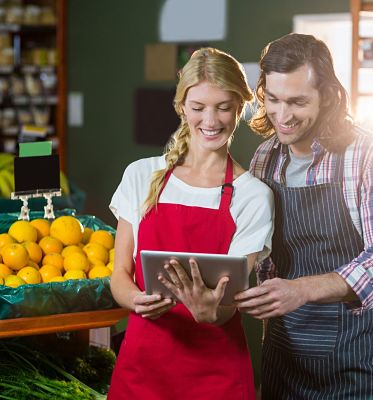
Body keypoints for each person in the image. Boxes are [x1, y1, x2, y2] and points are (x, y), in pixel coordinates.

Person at [234, 33, 373, 399]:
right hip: (284, 358)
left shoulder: (369, 155)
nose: (282, 116)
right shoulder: (265, 158)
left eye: (297, 102)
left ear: (329, 96)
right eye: (273, 100)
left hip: (353, 363)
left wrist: (301, 290)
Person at [107, 47, 274, 400]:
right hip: (143, 368)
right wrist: (136, 300)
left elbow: (230, 303)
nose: (210, 121)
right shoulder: (141, 175)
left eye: (223, 107)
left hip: (216, 375)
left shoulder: (252, 195)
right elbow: (119, 274)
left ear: (240, 108)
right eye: (198, 108)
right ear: (182, 106)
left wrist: (211, 312)